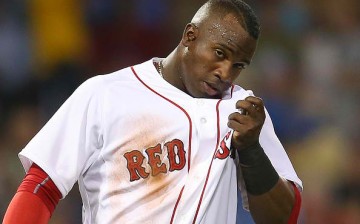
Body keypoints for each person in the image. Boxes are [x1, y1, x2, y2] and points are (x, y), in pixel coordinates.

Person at [3, 0, 302, 223]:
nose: (225, 72)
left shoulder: (243, 113)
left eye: (239, 65)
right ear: (190, 36)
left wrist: (251, 153)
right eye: (220, 53)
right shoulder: (106, 94)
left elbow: (284, 216)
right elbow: (41, 187)